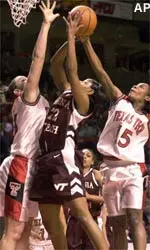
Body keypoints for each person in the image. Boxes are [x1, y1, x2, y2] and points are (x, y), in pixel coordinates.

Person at [29, 12, 109, 250]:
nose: (80, 82)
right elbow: (55, 63)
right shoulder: (66, 92)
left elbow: (72, 71)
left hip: (63, 158)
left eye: (87, 82)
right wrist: (71, 37)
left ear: (91, 92)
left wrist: (73, 36)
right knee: (53, 224)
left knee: (83, 215)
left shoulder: (83, 104)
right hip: (44, 160)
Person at [0, 1, 61, 250]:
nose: (28, 78)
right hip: (21, 164)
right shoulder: (27, 99)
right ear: (17, 92)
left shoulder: (42, 102)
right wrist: (45, 25)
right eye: (22, 79)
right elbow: (38, 59)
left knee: (25, 232)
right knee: (14, 231)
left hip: (33, 167)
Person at [80, 36, 150, 250]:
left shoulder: (148, 119)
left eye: (140, 86)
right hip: (109, 168)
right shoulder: (120, 100)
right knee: (115, 224)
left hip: (131, 169)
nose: (135, 87)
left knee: (136, 219)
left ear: (147, 98)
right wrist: (86, 42)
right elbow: (101, 71)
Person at [66, 148, 107, 250]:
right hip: (74, 220)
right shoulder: (71, 174)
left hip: (92, 218)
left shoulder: (96, 174)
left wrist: (89, 197)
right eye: (82, 155)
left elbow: (106, 198)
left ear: (92, 161)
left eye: (88, 156)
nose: (84, 157)